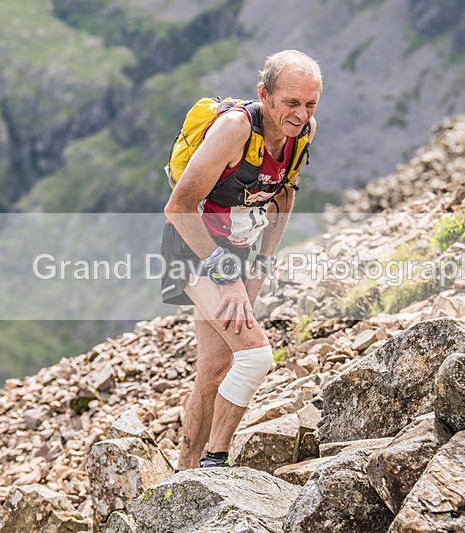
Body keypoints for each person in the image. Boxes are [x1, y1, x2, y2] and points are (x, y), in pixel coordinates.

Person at [161, 50, 322, 470]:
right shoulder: (234, 130)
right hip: (193, 247)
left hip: (237, 249)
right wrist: (229, 276)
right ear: (264, 95)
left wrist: (262, 264)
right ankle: (216, 463)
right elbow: (178, 208)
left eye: (310, 104)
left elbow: (283, 194)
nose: (301, 114)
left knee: (216, 366)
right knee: (255, 356)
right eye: (291, 103)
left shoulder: (301, 133)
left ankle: (186, 469)